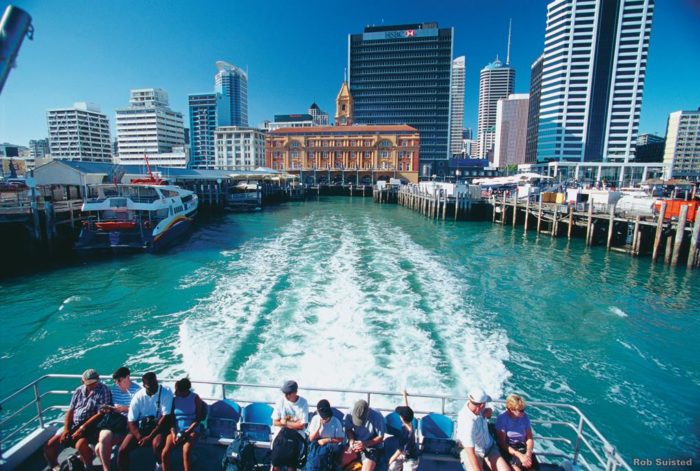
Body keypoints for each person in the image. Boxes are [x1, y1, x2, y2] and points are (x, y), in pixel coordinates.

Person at [43, 369, 112, 470]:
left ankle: (88, 466)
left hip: (91, 425)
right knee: (49, 446)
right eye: (88, 383)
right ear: (83, 381)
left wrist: (82, 428)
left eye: (93, 382)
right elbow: (70, 411)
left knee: (80, 445)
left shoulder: (103, 390)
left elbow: (100, 413)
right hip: (74, 424)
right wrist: (66, 429)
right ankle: (54, 467)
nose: (91, 385)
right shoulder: (78, 390)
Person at [118, 372, 173, 471]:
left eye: (155, 383)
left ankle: (159, 463)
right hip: (142, 427)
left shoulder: (166, 392)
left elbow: (165, 417)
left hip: (159, 426)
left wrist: (150, 437)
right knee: (122, 450)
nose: (154, 387)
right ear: (144, 385)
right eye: (150, 385)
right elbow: (131, 420)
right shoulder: (138, 397)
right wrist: (139, 436)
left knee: (157, 444)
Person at [95, 366, 141, 471]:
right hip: (115, 421)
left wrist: (124, 409)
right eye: (115, 381)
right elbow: (111, 405)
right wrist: (108, 409)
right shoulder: (115, 390)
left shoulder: (137, 391)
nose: (117, 383)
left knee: (98, 448)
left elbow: (140, 411)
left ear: (127, 377)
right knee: (103, 438)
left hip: (128, 423)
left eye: (119, 380)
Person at [456, 388, 510, 471]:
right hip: (473, 451)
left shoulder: (478, 408)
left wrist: (489, 412)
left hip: (489, 447)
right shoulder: (467, 421)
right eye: (484, 404)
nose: (484, 406)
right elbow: (471, 453)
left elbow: (488, 413)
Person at [161, 377, 205, 471]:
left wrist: (186, 433)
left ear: (185, 391)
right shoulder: (174, 400)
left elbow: (198, 419)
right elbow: (172, 420)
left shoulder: (195, 398)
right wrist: (173, 433)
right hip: (177, 430)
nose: (175, 393)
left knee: (186, 451)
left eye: (178, 391)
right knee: (165, 453)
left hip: (191, 429)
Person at [271, 380, 309, 471]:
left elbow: (302, 426)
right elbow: (275, 422)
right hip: (281, 434)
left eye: (288, 393)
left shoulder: (303, 403)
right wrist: (294, 424)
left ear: (295, 392)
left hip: (297, 435)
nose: (286, 395)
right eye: (285, 393)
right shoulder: (281, 401)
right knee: (276, 462)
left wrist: (285, 423)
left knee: (292, 461)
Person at [495, 395, 538, 471]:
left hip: (521, 446)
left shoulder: (525, 417)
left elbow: (529, 438)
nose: (523, 412)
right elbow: (502, 443)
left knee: (532, 467)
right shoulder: (502, 419)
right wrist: (520, 456)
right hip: (508, 449)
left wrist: (528, 454)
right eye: (520, 410)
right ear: (510, 409)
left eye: (523, 409)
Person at [344, 399, 386, 471]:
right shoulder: (349, 413)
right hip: (355, 443)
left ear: (368, 412)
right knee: (341, 463)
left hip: (371, 446)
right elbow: (348, 429)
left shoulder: (377, 416)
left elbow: (380, 437)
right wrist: (351, 440)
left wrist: (365, 444)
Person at [306, 399, 345, 471]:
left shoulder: (336, 421)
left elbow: (341, 438)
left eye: (327, 416)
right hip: (316, 449)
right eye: (323, 417)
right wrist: (319, 427)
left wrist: (327, 440)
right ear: (318, 412)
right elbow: (311, 438)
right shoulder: (315, 419)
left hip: (330, 449)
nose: (325, 418)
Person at [388, 390, 419, 471]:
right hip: (403, 454)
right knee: (393, 468)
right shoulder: (408, 422)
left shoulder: (407, 435)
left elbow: (400, 450)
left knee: (392, 465)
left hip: (411, 457)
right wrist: (404, 395)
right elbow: (407, 408)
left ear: (402, 418)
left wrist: (390, 460)